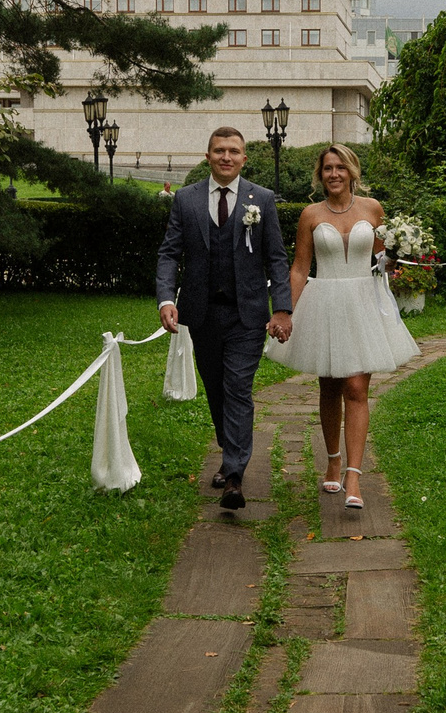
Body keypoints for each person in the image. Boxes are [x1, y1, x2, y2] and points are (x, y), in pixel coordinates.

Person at [263, 142, 417, 510]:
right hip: (325, 301)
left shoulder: (372, 209)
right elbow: (300, 268)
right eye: (328, 168)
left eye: (340, 168)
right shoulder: (310, 215)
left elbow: (382, 258)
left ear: (352, 172)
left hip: (364, 301)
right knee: (330, 385)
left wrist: (396, 257)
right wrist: (285, 310)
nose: (334, 174)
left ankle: (353, 475)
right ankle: (332, 458)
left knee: (356, 387)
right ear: (321, 174)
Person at [157, 127, 292, 510]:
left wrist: (281, 307)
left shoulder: (261, 200)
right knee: (216, 389)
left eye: (234, 151)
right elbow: (169, 254)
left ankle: (234, 475)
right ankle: (229, 451)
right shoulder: (186, 199)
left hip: (246, 314)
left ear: (244, 158)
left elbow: (277, 258)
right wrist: (166, 298)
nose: (226, 157)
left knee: (237, 388)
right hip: (201, 313)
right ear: (208, 156)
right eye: (219, 151)